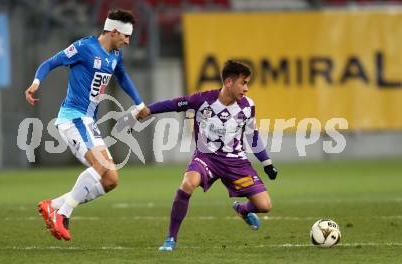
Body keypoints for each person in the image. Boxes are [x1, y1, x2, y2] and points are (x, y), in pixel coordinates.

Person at [25, 9, 150, 241]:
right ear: (113, 32)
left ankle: (53, 205)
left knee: (111, 179)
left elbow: (122, 77)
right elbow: (50, 62)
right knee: (101, 167)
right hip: (73, 118)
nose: (128, 41)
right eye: (125, 36)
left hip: (88, 122)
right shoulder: (84, 47)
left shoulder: (114, 55)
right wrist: (35, 83)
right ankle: (62, 215)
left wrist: (139, 103)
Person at [143, 60, 278, 251]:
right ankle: (171, 239)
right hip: (206, 158)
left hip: (236, 162)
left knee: (264, 206)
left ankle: (242, 209)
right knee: (188, 184)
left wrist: (267, 162)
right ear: (229, 82)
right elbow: (174, 104)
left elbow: (251, 134)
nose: (246, 88)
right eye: (244, 82)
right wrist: (149, 109)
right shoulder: (202, 100)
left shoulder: (248, 106)